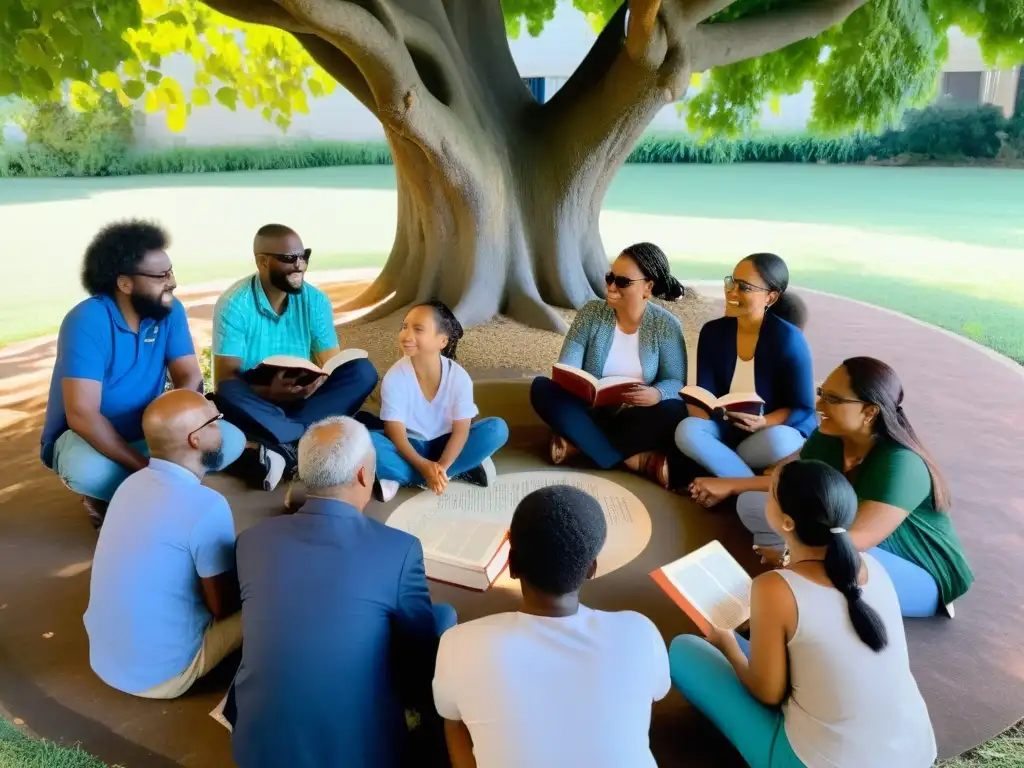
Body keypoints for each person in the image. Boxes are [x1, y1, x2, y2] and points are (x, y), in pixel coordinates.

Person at [669, 460, 937, 768]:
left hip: (818, 762)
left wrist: (726, 642)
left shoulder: (774, 588)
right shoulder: (873, 566)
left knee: (683, 651)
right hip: (915, 753)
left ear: (786, 522)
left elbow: (768, 693)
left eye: (771, 492)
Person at [229, 416, 457, 768]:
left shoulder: (251, 541)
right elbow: (418, 655)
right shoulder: (399, 549)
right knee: (443, 618)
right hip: (363, 755)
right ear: (363, 476)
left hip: (255, 752)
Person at [690, 357, 974, 618]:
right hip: (844, 541)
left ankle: (797, 581)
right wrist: (731, 486)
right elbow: (787, 478)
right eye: (821, 394)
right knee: (752, 503)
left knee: (842, 560)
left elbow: (856, 541)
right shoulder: (830, 436)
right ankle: (800, 569)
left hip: (920, 572)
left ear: (870, 411)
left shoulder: (902, 464)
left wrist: (793, 555)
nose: (819, 406)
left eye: (833, 399)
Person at [433, 485, 670, 768]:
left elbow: (451, 716)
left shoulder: (459, 643)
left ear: (511, 565)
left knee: (453, 721)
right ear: (592, 569)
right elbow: (652, 699)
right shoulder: (640, 632)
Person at [40, 220, 245, 528]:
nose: (172, 282)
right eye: (160, 276)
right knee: (86, 470)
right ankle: (115, 496)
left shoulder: (169, 310)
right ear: (125, 283)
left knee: (228, 441)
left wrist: (183, 424)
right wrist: (149, 469)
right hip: (89, 439)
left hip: (150, 430)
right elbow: (82, 415)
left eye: (171, 271)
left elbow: (189, 377)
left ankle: (140, 495)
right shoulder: (86, 320)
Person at [84, 389, 242, 699]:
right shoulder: (207, 506)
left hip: (104, 660)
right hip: (161, 676)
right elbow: (223, 607)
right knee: (270, 602)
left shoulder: (130, 483)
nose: (220, 428)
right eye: (214, 422)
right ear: (194, 440)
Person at [211, 223, 378, 489]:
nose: (300, 265)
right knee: (229, 391)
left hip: (304, 401)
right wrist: (268, 391)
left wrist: (318, 382)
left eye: (304, 256)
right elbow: (224, 380)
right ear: (262, 261)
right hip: (257, 400)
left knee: (362, 371)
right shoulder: (235, 304)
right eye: (289, 259)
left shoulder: (316, 301)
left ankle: (284, 447)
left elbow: (331, 362)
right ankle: (305, 442)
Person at [530, 242, 687, 489]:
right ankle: (635, 460)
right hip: (590, 409)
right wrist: (577, 384)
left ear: (648, 287)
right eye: (610, 277)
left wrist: (656, 394)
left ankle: (582, 445)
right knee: (541, 389)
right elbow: (568, 364)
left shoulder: (667, 326)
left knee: (676, 412)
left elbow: (676, 380)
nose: (611, 287)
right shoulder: (591, 314)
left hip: (635, 415)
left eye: (622, 282)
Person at [675, 253, 815, 478]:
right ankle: (747, 483)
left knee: (780, 441)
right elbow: (705, 393)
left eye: (744, 287)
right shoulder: (713, 332)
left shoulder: (788, 339)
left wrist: (763, 422)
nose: (732, 292)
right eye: (731, 282)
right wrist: (699, 416)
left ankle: (722, 469)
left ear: (770, 297)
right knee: (687, 430)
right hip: (725, 429)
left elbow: (802, 407)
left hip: (767, 433)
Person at [369, 300, 509, 502]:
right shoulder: (395, 377)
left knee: (497, 429)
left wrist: (440, 466)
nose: (407, 335)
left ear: (442, 341)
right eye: (405, 327)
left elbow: (461, 431)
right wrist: (423, 466)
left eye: (418, 329)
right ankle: (455, 470)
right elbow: (395, 432)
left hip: (447, 443)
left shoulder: (459, 377)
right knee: (365, 441)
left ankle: (404, 476)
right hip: (410, 446)